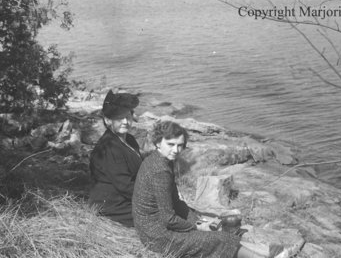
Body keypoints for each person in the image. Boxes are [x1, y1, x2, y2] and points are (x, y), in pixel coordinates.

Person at [132, 121, 304, 258]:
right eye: (170, 144)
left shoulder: (160, 160)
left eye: (180, 145)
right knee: (217, 239)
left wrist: (199, 220)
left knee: (219, 225)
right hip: (156, 235)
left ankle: (266, 252)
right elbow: (168, 219)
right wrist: (198, 227)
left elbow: (176, 203)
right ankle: (266, 256)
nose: (176, 150)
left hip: (153, 226)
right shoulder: (160, 171)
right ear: (157, 143)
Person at [88, 90, 142, 227]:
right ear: (107, 120)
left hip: (126, 198)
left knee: (168, 206)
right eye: (119, 118)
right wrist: (152, 198)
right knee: (161, 214)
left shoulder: (130, 139)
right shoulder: (108, 148)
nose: (125, 121)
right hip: (112, 204)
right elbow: (124, 186)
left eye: (128, 116)